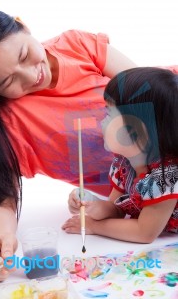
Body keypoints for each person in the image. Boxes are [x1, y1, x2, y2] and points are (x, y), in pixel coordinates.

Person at [0, 5, 176, 281]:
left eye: (24, 54)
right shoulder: (6, 126)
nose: (31, 75)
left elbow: (150, 96)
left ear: (22, 25)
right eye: (7, 81)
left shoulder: (76, 46)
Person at [63, 67, 178, 243]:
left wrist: (94, 227)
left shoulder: (166, 176)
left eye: (109, 114)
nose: (102, 121)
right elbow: (116, 209)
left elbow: (144, 232)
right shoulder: (124, 164)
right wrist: (91, 204)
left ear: (139, 130)